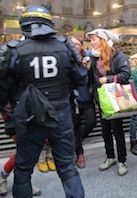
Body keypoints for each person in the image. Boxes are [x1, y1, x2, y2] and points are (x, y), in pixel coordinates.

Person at [0, 5, 86, 198]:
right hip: (62, 116)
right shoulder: (65, 46)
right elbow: (81, 79)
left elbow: (2, 91)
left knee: (23, 171)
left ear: (25, 25)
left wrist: (10, 119)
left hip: (30, 118)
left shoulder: (13, 50)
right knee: (67, 168)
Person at [86, 28, 131, 176]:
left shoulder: (118, 56)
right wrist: (86, 68)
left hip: (115, 100)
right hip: (102, 100)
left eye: (94, 39)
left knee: (117, 131)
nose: (91, 42)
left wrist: (108, 79)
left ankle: (122, 161)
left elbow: (126, 74)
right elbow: (91, 79)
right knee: (105, 131)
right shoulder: (93, 58)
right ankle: (110, 157)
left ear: (103, 40)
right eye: (91, 40)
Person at [0, 104, 41, 197]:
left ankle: (4, 177)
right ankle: (20, 182)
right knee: (24, 152)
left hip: (26, 112)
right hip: (13, 115)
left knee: (25, 151)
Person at [70, 35, 96, 169]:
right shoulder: (67, 58)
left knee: (91, 122)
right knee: (76, 126)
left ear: (81, 45)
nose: (75, 46)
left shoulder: (88, 59)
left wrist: (89, 68)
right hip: (73, 98)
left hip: (86, 96)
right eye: (72, 44)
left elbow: (92, 78)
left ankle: (76, 142)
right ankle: (79, 153)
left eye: (77, 44)